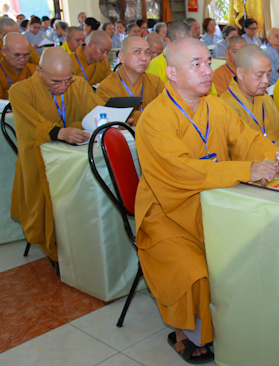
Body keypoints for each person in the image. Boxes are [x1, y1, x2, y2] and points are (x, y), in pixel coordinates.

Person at [135, 37, 279, 364]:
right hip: (167, 212)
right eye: (196, 64)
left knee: (252, 253)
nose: (207, 71)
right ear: (172, 73)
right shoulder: (155, 118)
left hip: (215, 204)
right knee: (195, 270)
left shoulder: (215, 106)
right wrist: (244, 170)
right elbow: (179, 170)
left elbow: (248, 140)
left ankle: (236, 325)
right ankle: (183, 333)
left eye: (207, 62)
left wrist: (278, 157)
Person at [10, 48, 104, 262]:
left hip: (75, 159)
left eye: (67, 80)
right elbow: (31, 126)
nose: (63, 86)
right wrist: (60, 133)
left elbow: (95, 113)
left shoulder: (78, 84)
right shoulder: (20, 91)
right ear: (39, 72)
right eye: (55, 82)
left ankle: (83, 243)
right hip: (39, 161)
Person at [97, 36, 164, 125]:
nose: (144, 58)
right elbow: (109, 118)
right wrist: (154, 116)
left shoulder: (155, 82)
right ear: (121, 57)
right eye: (137, 51)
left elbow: (168, 109)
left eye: (147, 52)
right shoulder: (107, 87)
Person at [0, 33, 37, 98]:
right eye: (17, 55)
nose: (23, 59)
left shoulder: (34, 71)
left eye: (26, 55)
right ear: (4, 52)